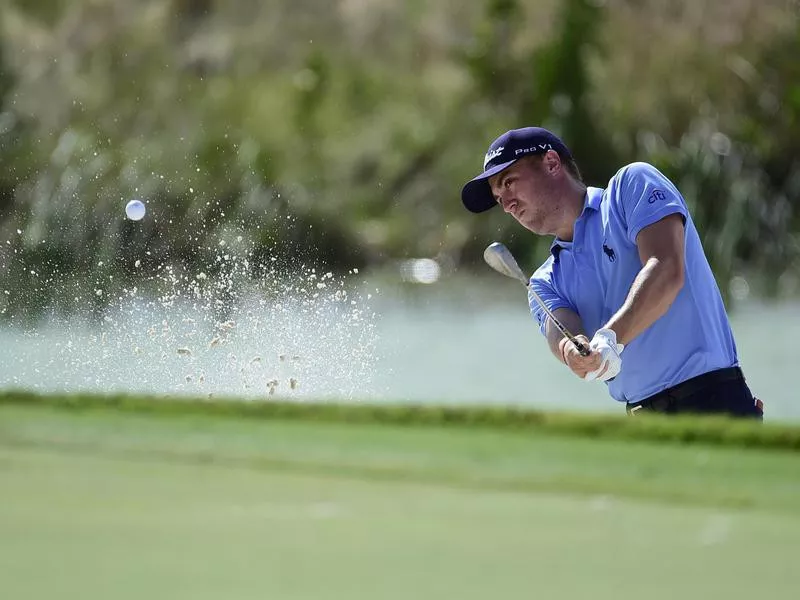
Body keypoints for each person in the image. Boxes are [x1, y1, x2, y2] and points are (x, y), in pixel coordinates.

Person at [461, 126, 763, 418]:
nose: (507, 204)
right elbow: (563, 335)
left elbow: (667, 269)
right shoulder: (544, 281)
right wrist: (575, 354)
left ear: (551, 163)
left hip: (714, 399)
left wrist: (610, 339)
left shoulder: (630, 187)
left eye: (509, 182)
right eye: (499, 198)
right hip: (642, 421)